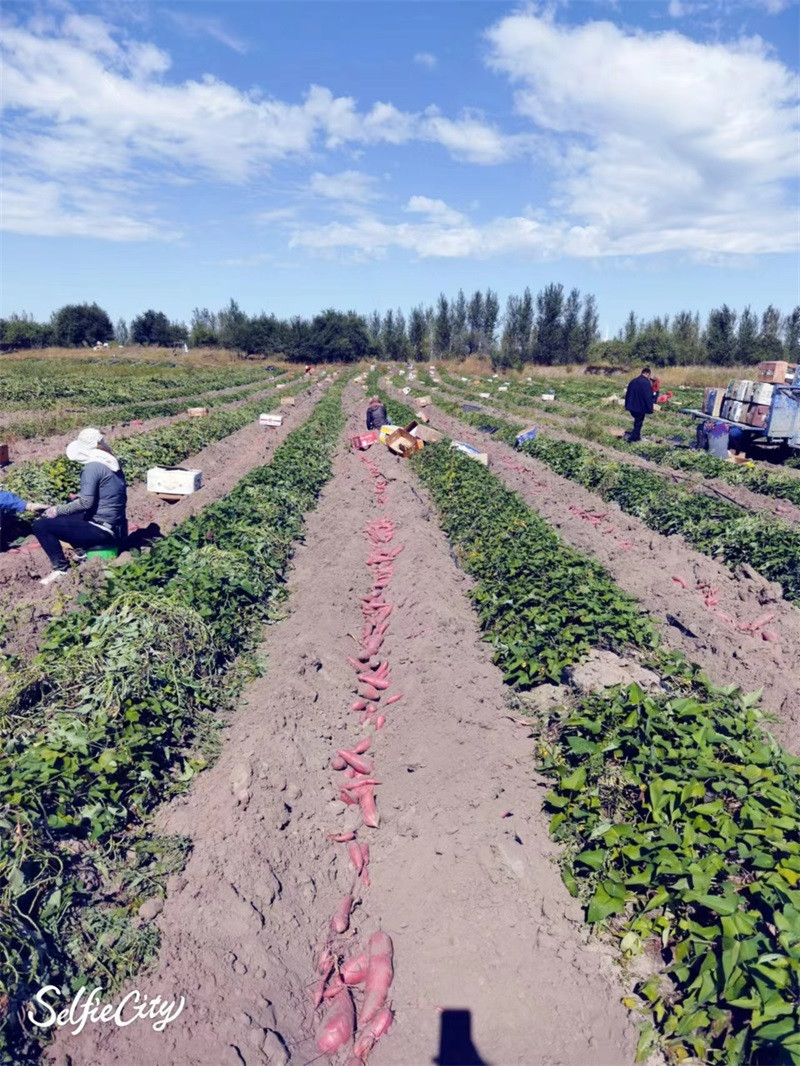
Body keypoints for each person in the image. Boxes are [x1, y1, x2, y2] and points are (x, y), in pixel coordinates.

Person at [32, 428, 128, 585]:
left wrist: (55, 509)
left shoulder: (92, 467)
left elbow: (85, 503)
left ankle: (60, 569)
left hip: (102, 531)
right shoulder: (110, 463)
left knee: (41, 525)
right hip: (116, 526)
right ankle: (83, 552)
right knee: (64, 516)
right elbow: (108, 494)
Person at [624, 367, 655, 442]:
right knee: (638, 423)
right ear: (648, 374)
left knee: (637, 422)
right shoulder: (646, 383)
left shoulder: (633, 381)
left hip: (631, 406)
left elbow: (627, 394)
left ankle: (636, 436)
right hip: (640, 407)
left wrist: (627, 405)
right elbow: (647, 396)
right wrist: (650, 407)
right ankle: (633, 439)